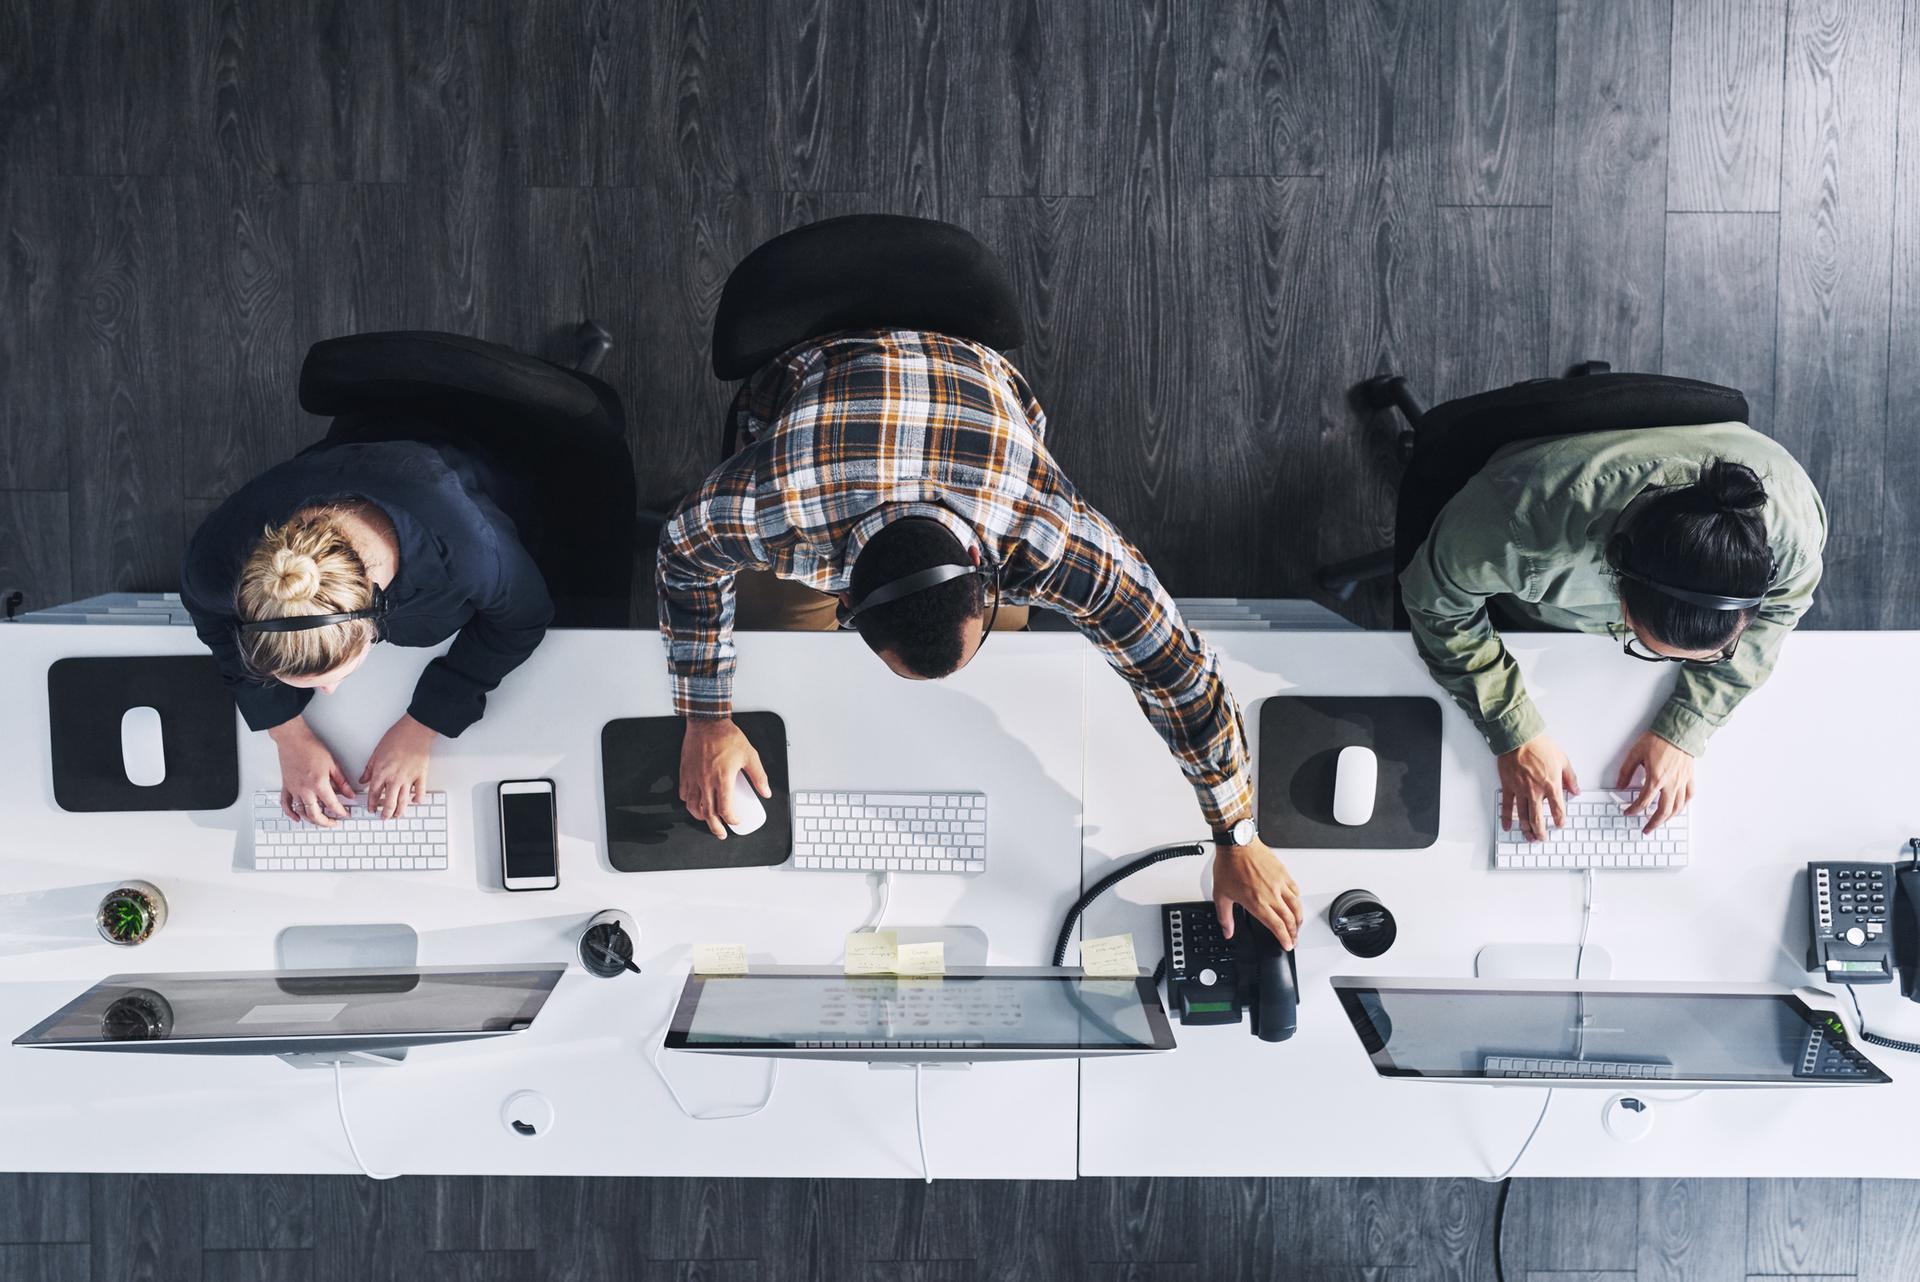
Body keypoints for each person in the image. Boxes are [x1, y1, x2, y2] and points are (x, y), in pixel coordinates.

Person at [656, 329, 1302, 946]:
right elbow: (683, 554)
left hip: (976, 408)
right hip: (817, 373)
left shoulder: (1049, 536)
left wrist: (1237, 835)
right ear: (843, 600)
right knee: (778, 646)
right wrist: (707, 719)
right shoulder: (775, 509)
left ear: (989, 583)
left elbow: (1180, 676)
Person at [1400, 424, 1825, 841]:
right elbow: (1436, 605)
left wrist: (1687, 725)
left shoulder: (1795, 537)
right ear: (1619, 595)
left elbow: (1780, 612)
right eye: (1650, 647)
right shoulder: (1515, 528)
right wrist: (1514, 730)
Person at [181, 439, 553, 826]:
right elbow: (212, 619)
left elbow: (523, 618)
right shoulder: (215, 564)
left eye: (333, 677)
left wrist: (425, 722)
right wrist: (286, 732)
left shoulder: (469, 555)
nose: (327, 692)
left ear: (372, 621)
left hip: (490, 458)